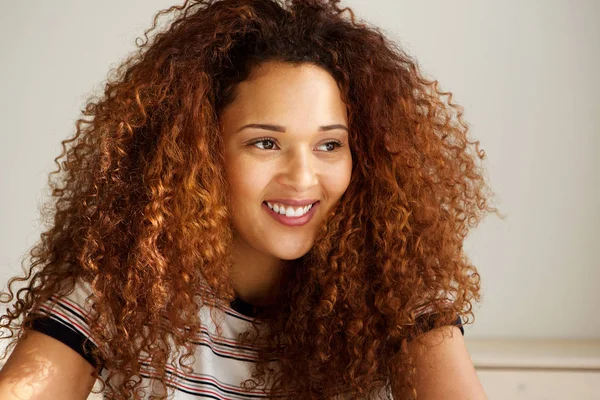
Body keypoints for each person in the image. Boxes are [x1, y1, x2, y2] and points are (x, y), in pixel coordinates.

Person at [0, 0, 500, 399]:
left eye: (330, 145)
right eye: (265, 143)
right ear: (198, 152)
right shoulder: (123, 285)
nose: (304, 178)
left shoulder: (398, 294)